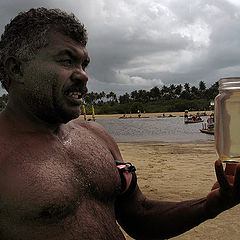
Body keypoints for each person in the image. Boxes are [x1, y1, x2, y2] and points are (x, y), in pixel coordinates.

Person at [0, 8, 240, 240]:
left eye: (84, 64)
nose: (82, 75)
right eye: (66, 61)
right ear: (17, 69)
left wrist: (212, 204)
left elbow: (141, 217)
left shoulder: (95, 135)